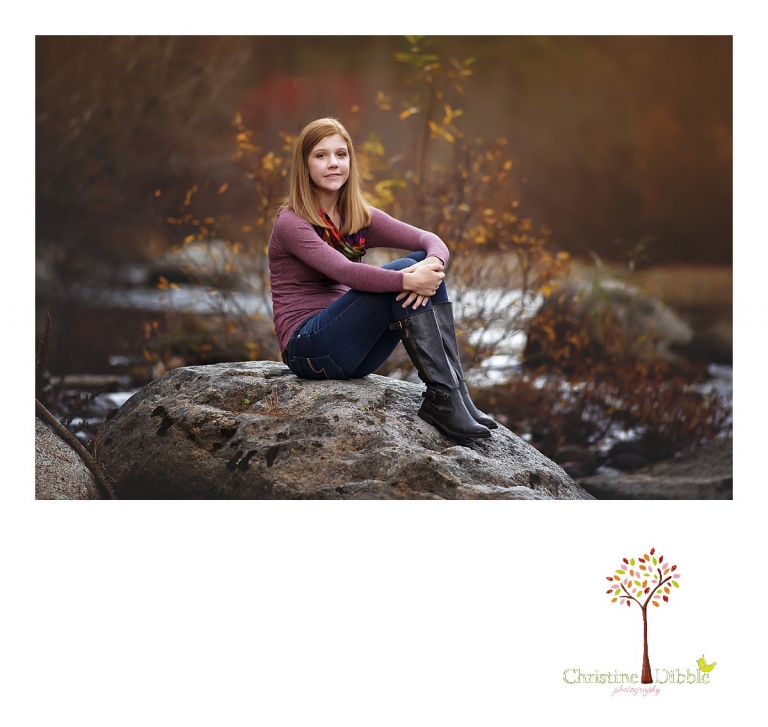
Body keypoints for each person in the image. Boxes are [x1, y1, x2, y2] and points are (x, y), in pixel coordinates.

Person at [268, 117, 497, 440]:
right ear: (304, 165)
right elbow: (345, 272)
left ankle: (453, 393)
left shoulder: (358, 217)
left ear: (350, 160)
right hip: (308, 350)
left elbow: (431, 240)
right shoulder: (292, 222)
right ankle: (445, 398)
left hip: (353, 353)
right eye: (321, 156)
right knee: (405, 269)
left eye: (341, 154)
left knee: (419, 262)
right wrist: (408, 281)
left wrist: (431, 263)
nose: (333, 164)